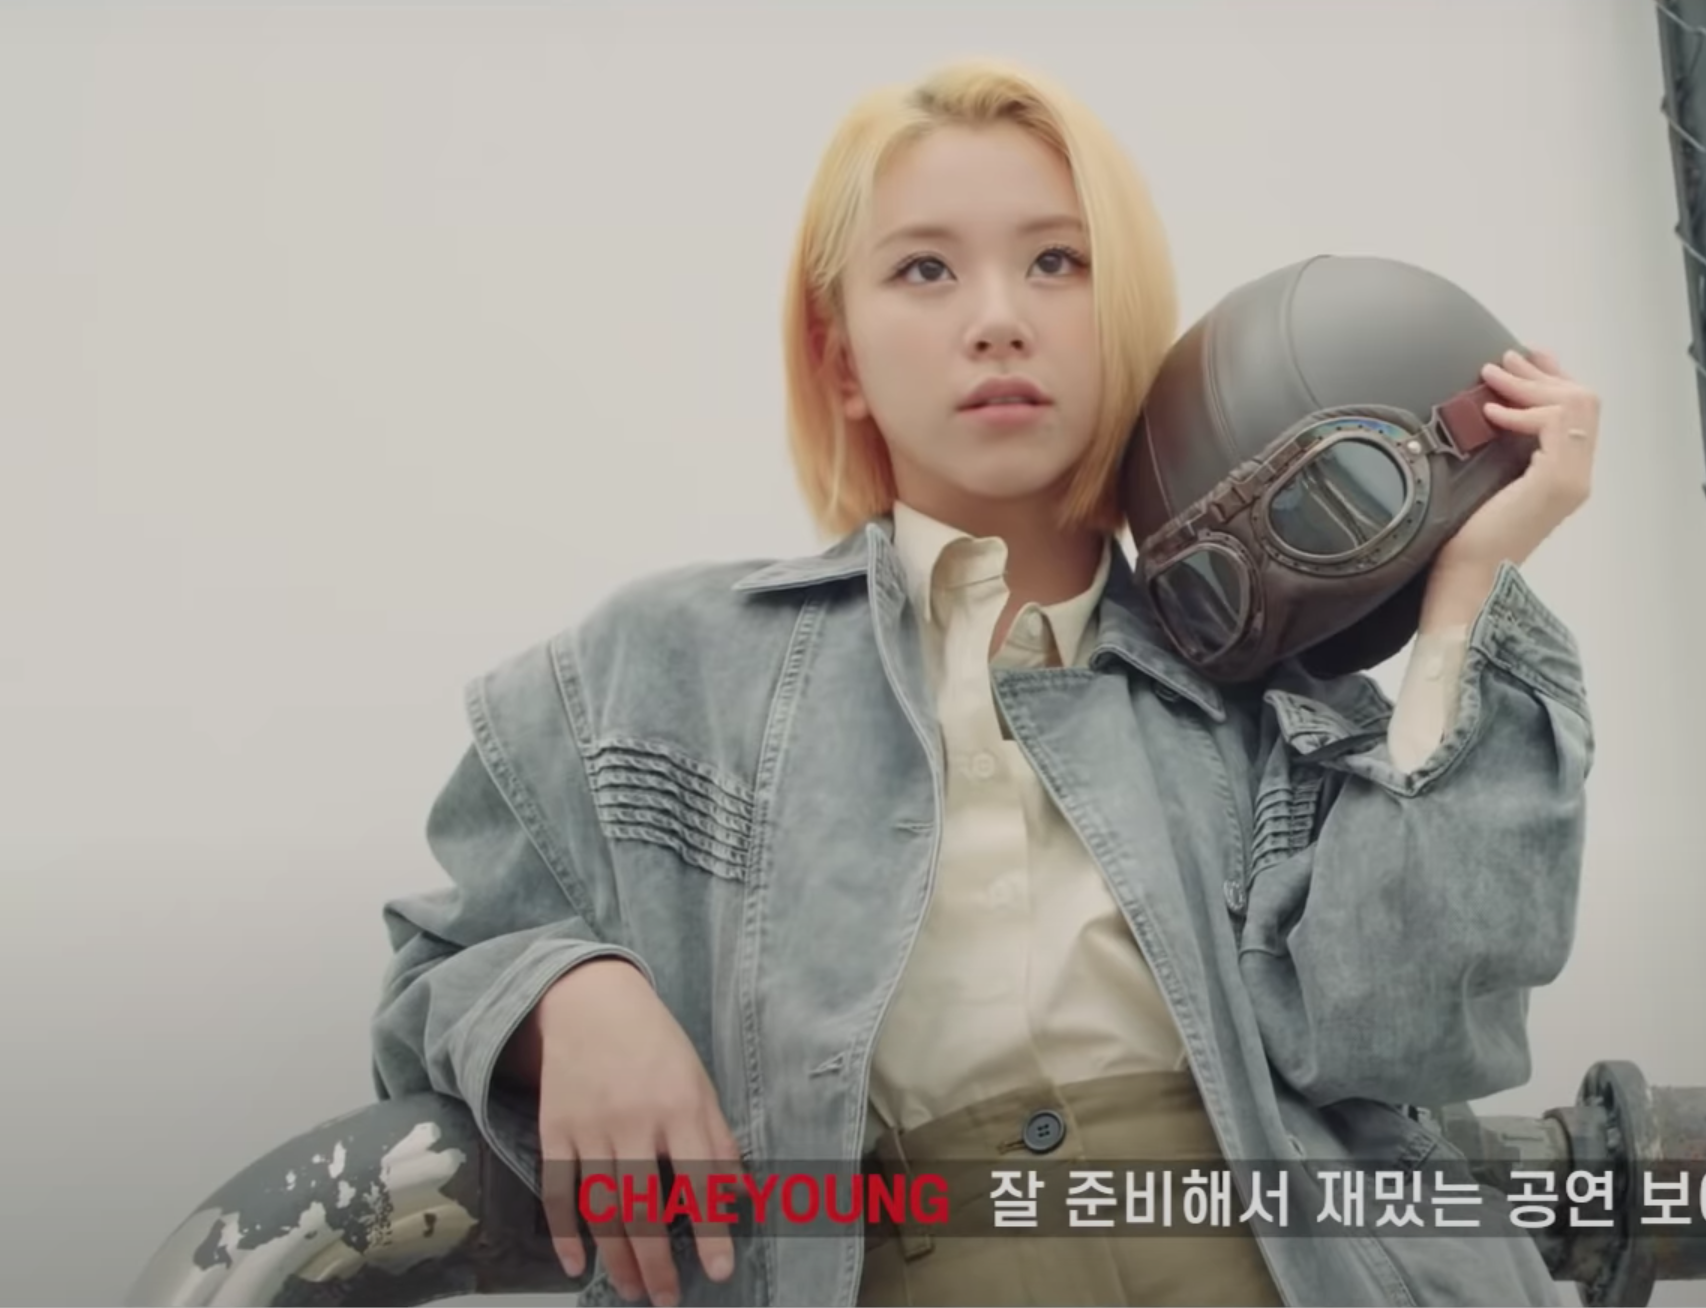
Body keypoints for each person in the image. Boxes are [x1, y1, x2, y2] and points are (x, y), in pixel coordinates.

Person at [370, 56, 1599, 1308]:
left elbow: (1402, 1034)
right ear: (839, 361)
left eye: (1056, 261)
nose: (998, 317)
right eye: (924, 269)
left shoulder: (1274, 701)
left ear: (1122, 317)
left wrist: (1467, 589)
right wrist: (568, 998)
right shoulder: (661, 669)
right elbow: (439, 967)